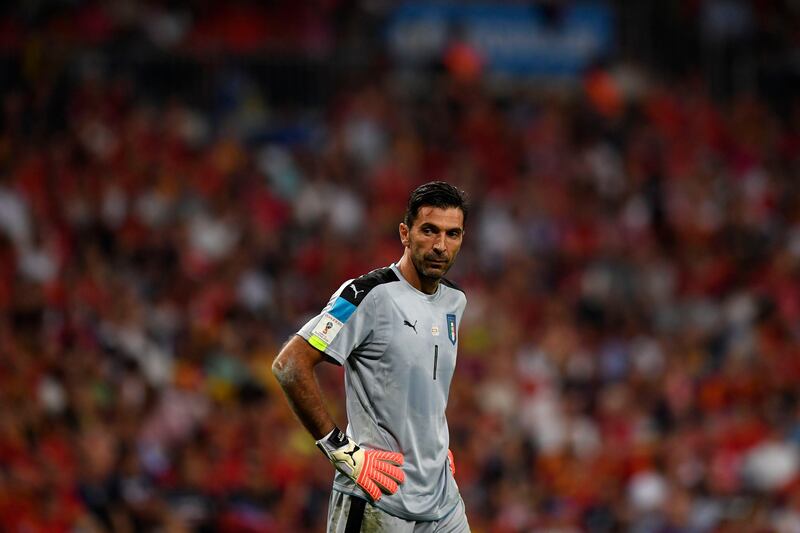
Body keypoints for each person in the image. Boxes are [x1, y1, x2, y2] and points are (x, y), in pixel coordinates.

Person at [272, 181, 471, 532]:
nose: (441, 245)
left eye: (452, 234)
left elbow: (422, 383)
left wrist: (432, 447)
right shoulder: (367, 295)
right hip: (379, 497)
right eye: (429, 231)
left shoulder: (455, 301)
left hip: (442, 500)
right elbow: (290, 365)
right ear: (405, 234)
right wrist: (342, 451)